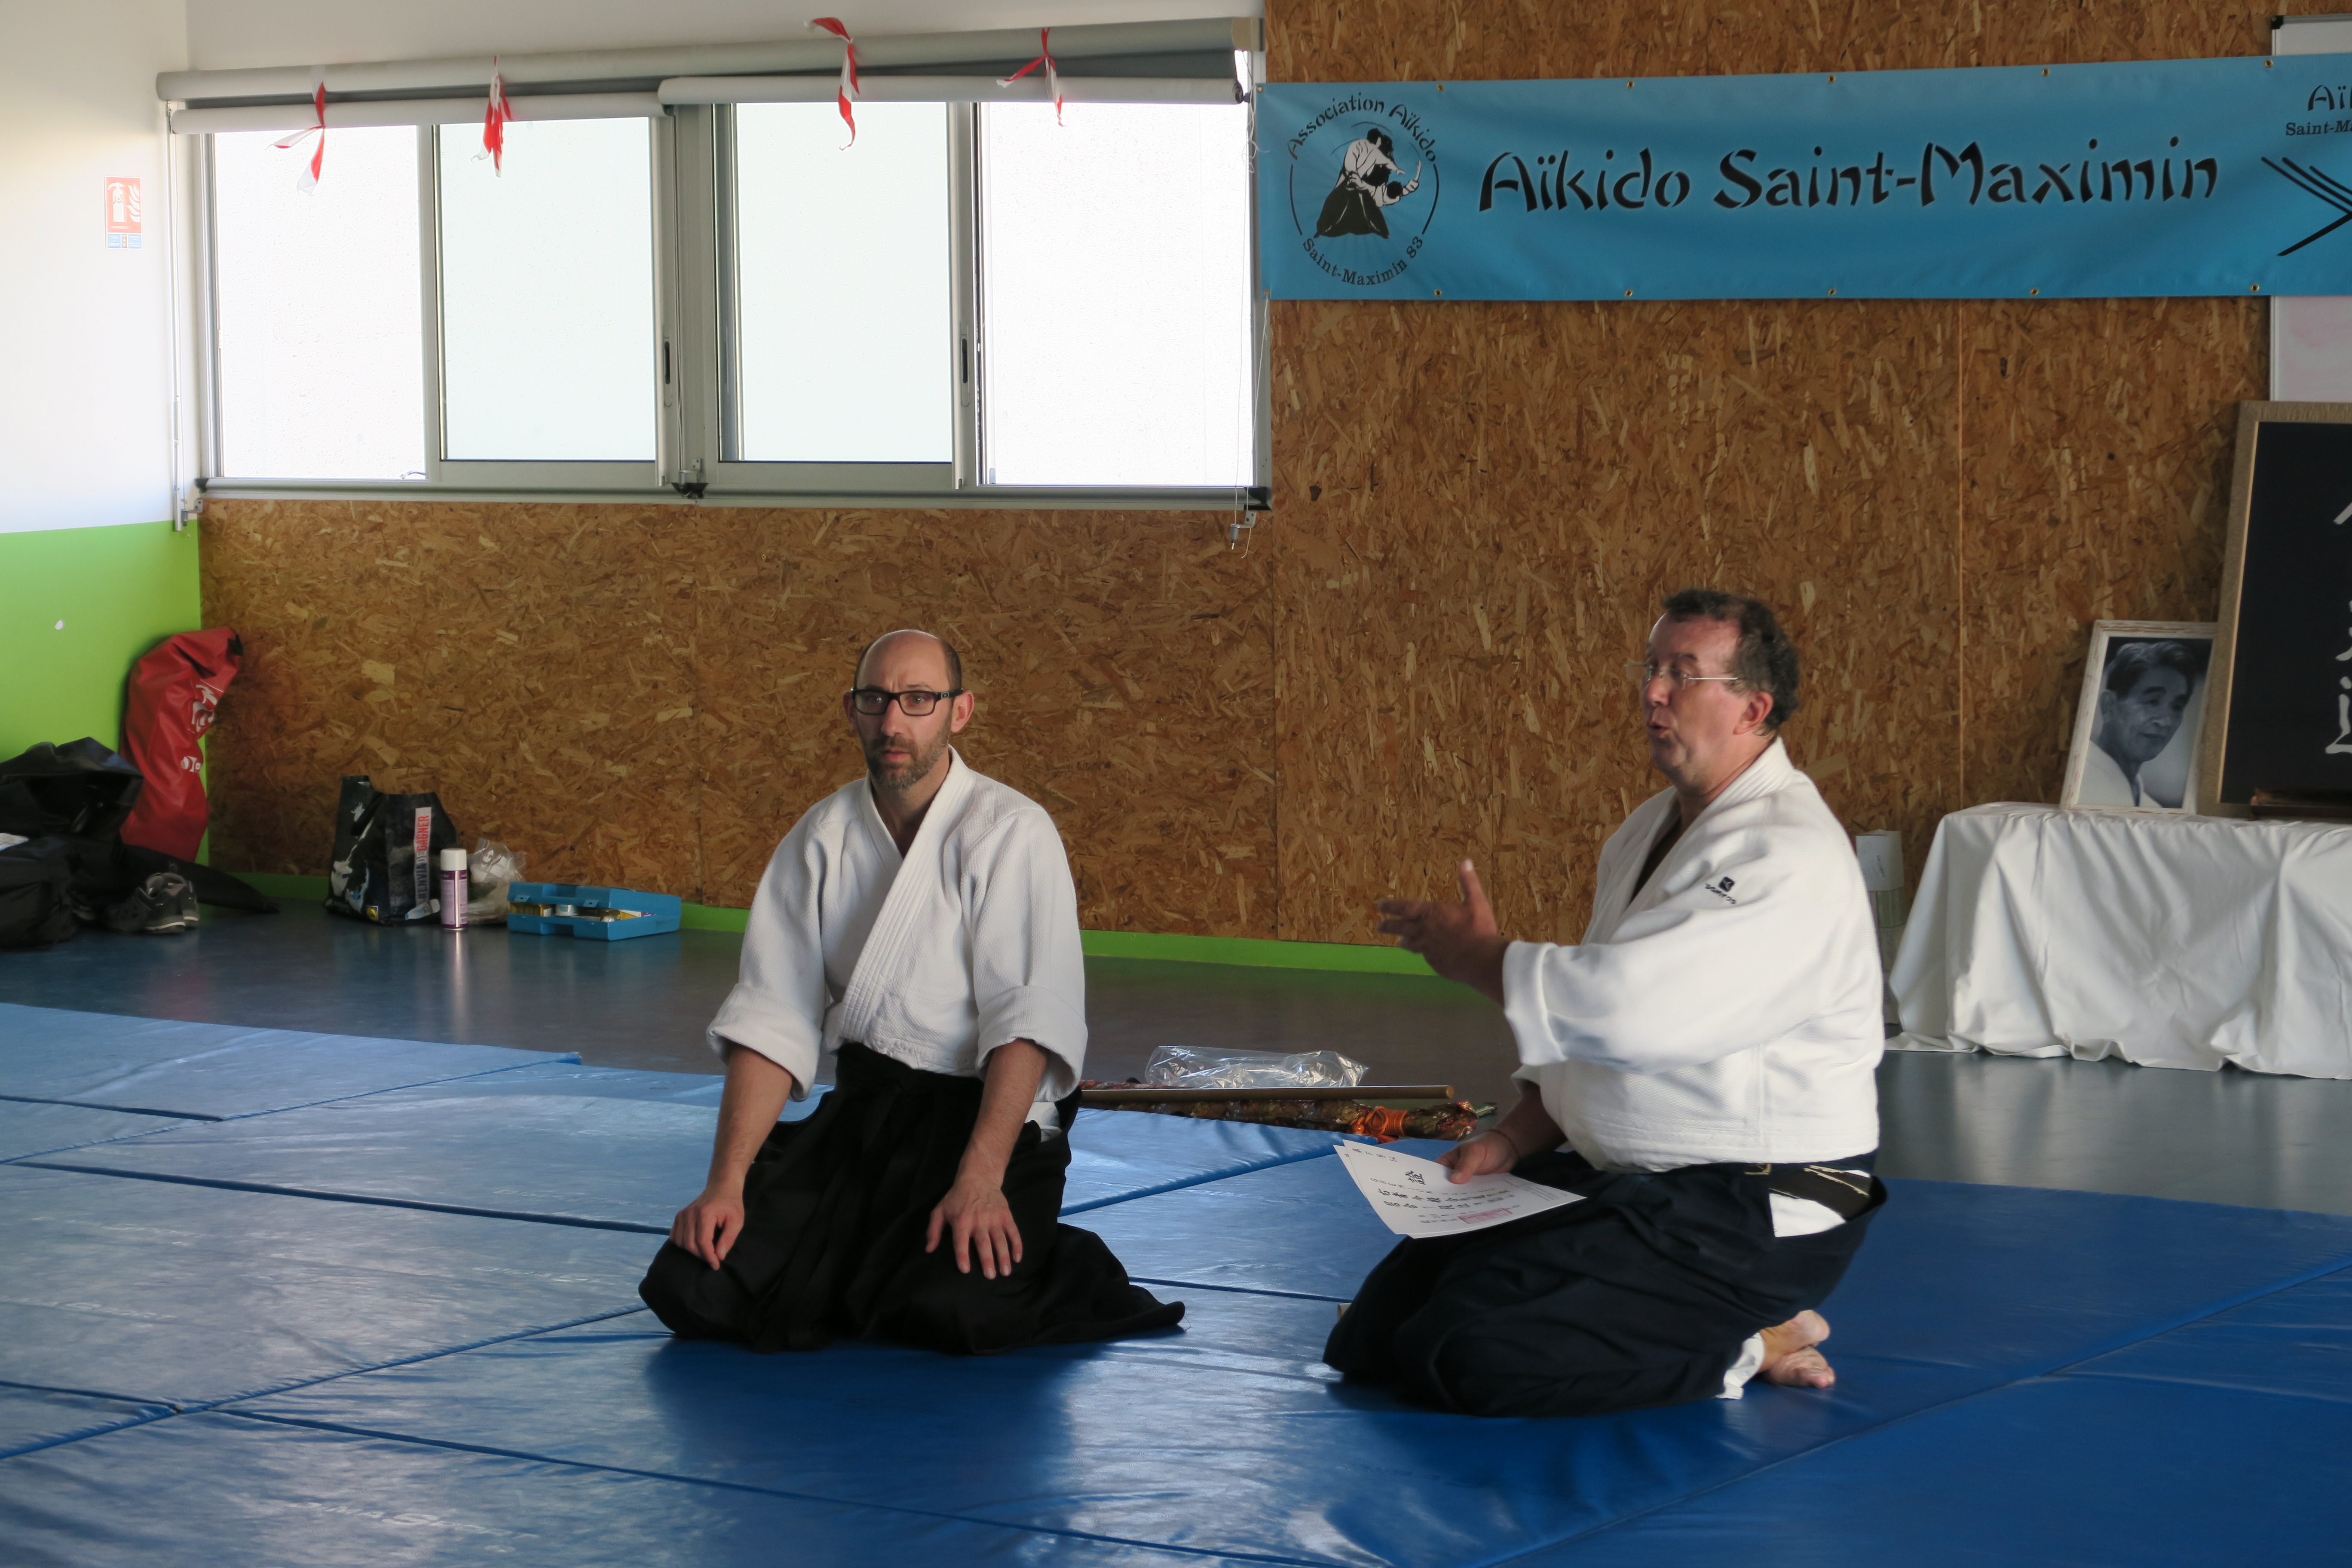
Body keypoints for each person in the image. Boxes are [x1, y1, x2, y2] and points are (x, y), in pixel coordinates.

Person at [1328, 588, 1886, 1418]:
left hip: (1758, 1205)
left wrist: (1480, 959)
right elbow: (1592, 1036)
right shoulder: (1648, 828)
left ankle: (1749, 1338)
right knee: (1373, 1339)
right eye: (1651, 668)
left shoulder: (1784, 853)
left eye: (1684, 674)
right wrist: (1512, 1138)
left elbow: (1629, 1013)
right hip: (1631, 1181)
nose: (1653, 692)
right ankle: (1701, 1320)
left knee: (1474, 1356)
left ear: (1752, 708)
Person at [638, 629, 1183, 1355]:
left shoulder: (1011, 831)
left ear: (960, 711)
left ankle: (1059, 1258)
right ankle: (875, 1258)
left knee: (956, 1315)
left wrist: (982, 1179)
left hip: (986, 1123)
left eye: (919, 699)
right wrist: (726, 1184)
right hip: (865, 1121)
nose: (893, 721)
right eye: (876, 700)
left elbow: (1026, 1018)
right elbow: (772, 1018)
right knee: (692, 1286)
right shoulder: (821, 837)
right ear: (852, 710)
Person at [2078, 640, 2201, 809]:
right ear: (2109, 705)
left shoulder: (2152, 808)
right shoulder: (2080, 785)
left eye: (2177, 707)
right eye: (2152, 702)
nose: (2166, 721)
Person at [1315, 127, 1423, 238]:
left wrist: (1405, 189)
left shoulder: (1378, 170)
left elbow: (1381, 193)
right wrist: (1353, 177)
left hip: (1360, 207)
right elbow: (1350, 169)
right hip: (1348, 189)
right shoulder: (1359, 148)